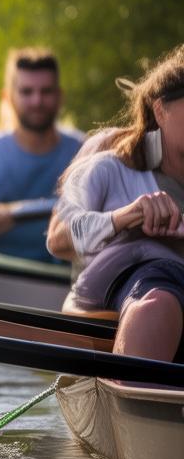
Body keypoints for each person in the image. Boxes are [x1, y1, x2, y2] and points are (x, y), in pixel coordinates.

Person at [47, 44, 184, 360]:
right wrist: (126, 217)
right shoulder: (108, 165)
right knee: (159, 293)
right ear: (160, 111)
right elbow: (58, 239)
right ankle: (139, 395)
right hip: (122, 296)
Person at [0, 47, 83, 262]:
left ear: (60, 96)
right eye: (26, 92)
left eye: (46, 91)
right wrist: (40, 208)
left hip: (58, 281)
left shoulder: (82, 150)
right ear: (8, 97)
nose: (37, 101)